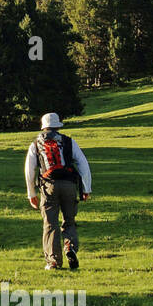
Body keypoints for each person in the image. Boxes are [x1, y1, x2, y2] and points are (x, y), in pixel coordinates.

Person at [24, 112, 92, 270]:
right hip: (69, 185)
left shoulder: (36, 144)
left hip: (48, 187)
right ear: (58, 126)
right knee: (69, 220)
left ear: (43, 126)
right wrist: (86, 188)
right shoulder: (68, 141)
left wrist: (31, 193)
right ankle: (70, 247)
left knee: (50, 224)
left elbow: (29, 170)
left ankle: (53, 261)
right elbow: (83, 164)